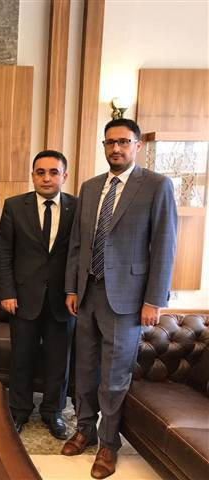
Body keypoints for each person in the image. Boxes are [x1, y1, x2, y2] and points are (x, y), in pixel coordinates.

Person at [62, 118, 177, 479]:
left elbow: (164, 246)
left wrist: (153, 301)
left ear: (137, 146)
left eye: (123, 142)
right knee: (84, 369)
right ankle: (84, 429)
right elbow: (78, 244)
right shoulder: (90, 186)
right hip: (88, 293)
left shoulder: (156, 186)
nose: (116, 148)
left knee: (113, 376)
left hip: (128, 299)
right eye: (110, 142)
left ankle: (108, 444)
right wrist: (72, 288)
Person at [0, 150, 76, 438]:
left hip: (63, 300)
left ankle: (53, 412)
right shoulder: (14, 206)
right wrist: (6, 291)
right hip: (23, 297)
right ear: (32, 175)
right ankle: (19, 410)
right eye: (40, 172)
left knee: (59, 361)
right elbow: (5, 253)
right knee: (21, 358)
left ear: (64, 176)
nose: (46, 178)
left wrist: (75, 290)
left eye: (53, 172)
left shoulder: (77, 207)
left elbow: (79, 254)